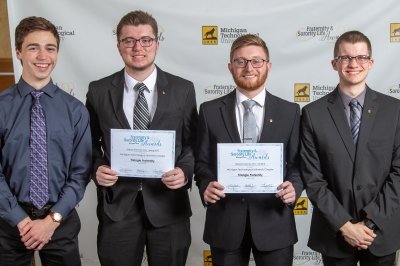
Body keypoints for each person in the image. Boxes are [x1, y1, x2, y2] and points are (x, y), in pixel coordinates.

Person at [86, 10, 198, 266]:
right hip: (118, 207)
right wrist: (97, 167)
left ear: (157, 44)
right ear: (119, 46)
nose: (138, 47)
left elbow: (193, 143)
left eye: (146, 40)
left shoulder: (183, 89)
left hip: (169, 205)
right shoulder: (99, 90)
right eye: (129, 41)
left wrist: (184, 170)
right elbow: (89, 144)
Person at [195, 34, 303, 266]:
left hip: (274, 220)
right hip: (225, 221)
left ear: (268, 66)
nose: (248, 68)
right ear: (230, 67)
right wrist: (205, 185)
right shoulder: (209, 111)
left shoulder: (290, 112)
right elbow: (201, 163)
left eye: (256, 61)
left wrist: (294, 187)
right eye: (240, 61)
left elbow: (297, 164)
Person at [300, 30, 400, 266]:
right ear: (334, 63)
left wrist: (370, 222)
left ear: (371, 62)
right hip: (335, 233)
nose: (353, 64)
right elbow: (312, 178)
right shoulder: (313, 114)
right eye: (345, 58)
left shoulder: (394, 110)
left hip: (381, 232)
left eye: (361, 57)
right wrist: (345, 225)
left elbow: (399, 173)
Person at [0, 16, 91, 266]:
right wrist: (20, 220)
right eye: (33, 47)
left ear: (57, 54)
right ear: (18, 52)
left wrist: (52, 220)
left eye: (50, 48)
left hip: (60, 223)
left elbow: (80, 173)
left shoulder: (76, 111)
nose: (43, 56)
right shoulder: (1, 108)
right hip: (8, 224)